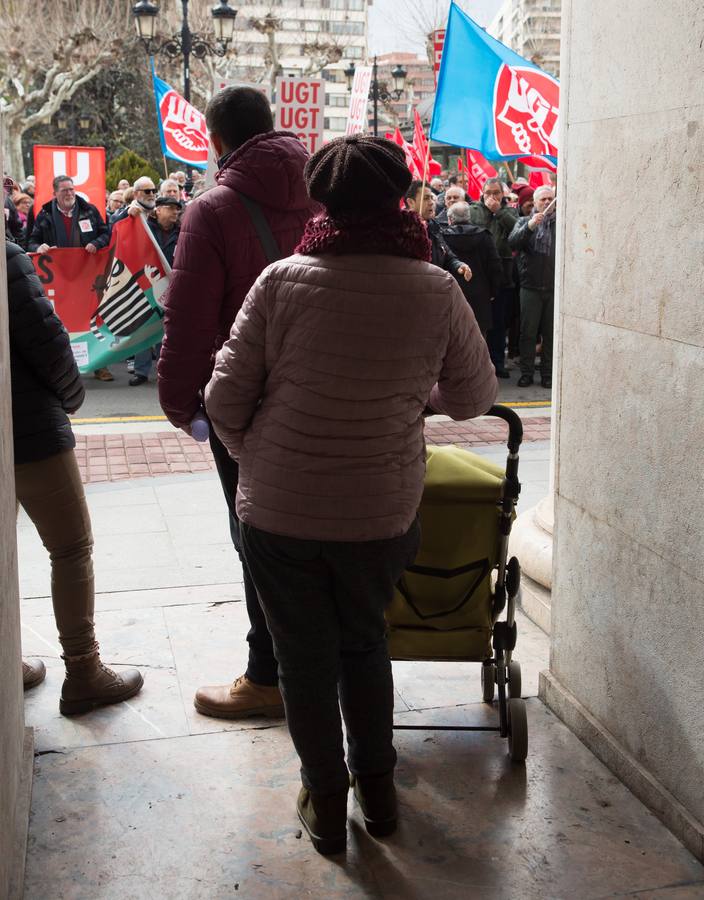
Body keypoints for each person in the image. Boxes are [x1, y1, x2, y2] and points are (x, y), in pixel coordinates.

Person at [204, 135, 498, 856]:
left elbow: (223, 399)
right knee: (366, 644)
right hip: (381, 511)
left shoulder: (281, 280)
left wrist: (257, 461)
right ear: (400, 198)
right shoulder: (436, 287)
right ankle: (380, 794)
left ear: (321, 200)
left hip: (277, 512)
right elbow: (474, 396)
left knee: (303, 659)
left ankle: (326, 803)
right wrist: (410, 399)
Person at [158, 86, 318, 720]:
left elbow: (191, 318)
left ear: (217, 141)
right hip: (324, 388)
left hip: (247, 402)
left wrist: (178, 402)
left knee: (255, 532)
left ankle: (268, 675)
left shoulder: (213, 209)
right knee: (322, 529)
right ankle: (323, 662)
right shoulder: (325, 192)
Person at [7, 236, 143, 712]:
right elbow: (47, 341)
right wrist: (71, 398)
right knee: (70, 547)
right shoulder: (6, 258)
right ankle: (83, 670)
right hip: (27, 429)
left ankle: (6, 663)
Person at [28, 175, 113, 381]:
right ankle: (60, 368)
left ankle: (100, 366)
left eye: (72, 189)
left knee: (91, 318)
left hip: (86, 277)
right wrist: (40, 247)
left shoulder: (89, 210)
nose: (69, 194)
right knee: (59, 322)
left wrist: (97, 243)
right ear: (55, 193)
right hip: (59, 280)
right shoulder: (45, 214)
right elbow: (31, 240)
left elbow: (106, 234)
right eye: (64, 190)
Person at [469, 177, 519, 378]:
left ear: (502, 194)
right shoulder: (474, 210)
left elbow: (516, 232)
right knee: (478, 322)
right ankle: (477, 362)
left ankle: (498, 362)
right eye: (488, 193)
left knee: (499, 323)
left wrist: (498, 212)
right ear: (482, 193)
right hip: (479, 276)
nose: (492, 197)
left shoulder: (510, 211)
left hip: (503, 276)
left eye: (496, 193)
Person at [130, 196, 182, 386]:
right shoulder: (144, 227)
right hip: (147, 285)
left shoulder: (182, 231)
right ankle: (141, 371)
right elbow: (119, 226)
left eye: (178, 209)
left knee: (167, 330)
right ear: (158, 210)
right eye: (171, 208)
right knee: (144, 327)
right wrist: (129, 213)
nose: (176, 212)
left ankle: (164, 370)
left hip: (172, 286)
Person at [509, 185, 556, 388]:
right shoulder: (523, 221)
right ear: (534, 203)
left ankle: (548, 373)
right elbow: (513, 242)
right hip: (530, 287)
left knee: (550, 333)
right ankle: (526, 372)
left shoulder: (561, 223)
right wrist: (529, 227)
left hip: (553, 288)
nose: (546, 203)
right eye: (542, 199)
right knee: (528, 333)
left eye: (549, 199)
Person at [443, 200, 503, 337]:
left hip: (452, 294)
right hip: (480, 295)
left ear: (450, 219)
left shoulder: (443, 237)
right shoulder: (485, 236)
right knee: (479, 339)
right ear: (468, 217)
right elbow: (495, 266)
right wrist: (493, 291)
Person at [404, 180, 472, 283]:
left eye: (432, 197)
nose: (432, 202)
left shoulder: (433, 225)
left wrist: (458, 265)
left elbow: (446, 254)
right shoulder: (402, 231)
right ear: (411, 202)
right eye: (426, 198)